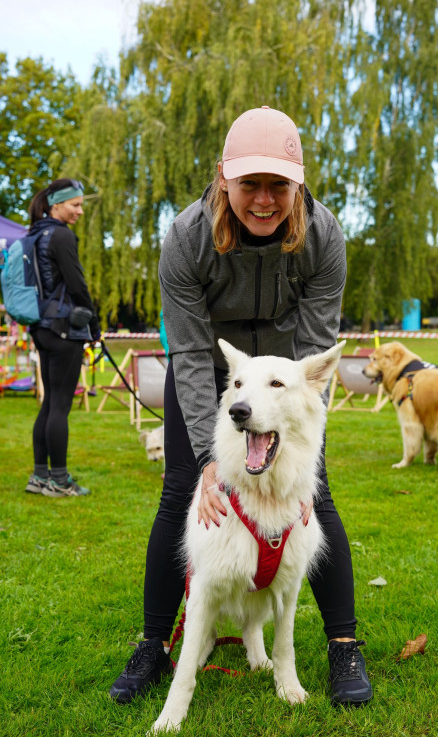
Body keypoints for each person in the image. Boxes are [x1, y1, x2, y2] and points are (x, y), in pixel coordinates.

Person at [110, 107, 373, 707]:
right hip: (215, 362)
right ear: (223, 177)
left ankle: (341, 645)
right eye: (248, 184)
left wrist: (298, 443)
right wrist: (209, 458)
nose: (262, 200)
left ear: (298, 183)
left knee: (317, 493)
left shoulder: (325, 237)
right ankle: (155, 645)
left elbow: (314, 358)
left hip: (284, 370)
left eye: (278, 185)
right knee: (182, 488)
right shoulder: (184, 238)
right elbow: (192, 353)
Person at [25, 178, 101, 497]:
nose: (80, 211)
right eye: (75, 204)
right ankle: (58, 480)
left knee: (49, 404)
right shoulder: (61, 235)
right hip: (64, 329)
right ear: (56, 204)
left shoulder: (35, 234)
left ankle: (39, 476)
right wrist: (94, 322)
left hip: (41, 327)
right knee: (60, 406)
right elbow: (76, 282)